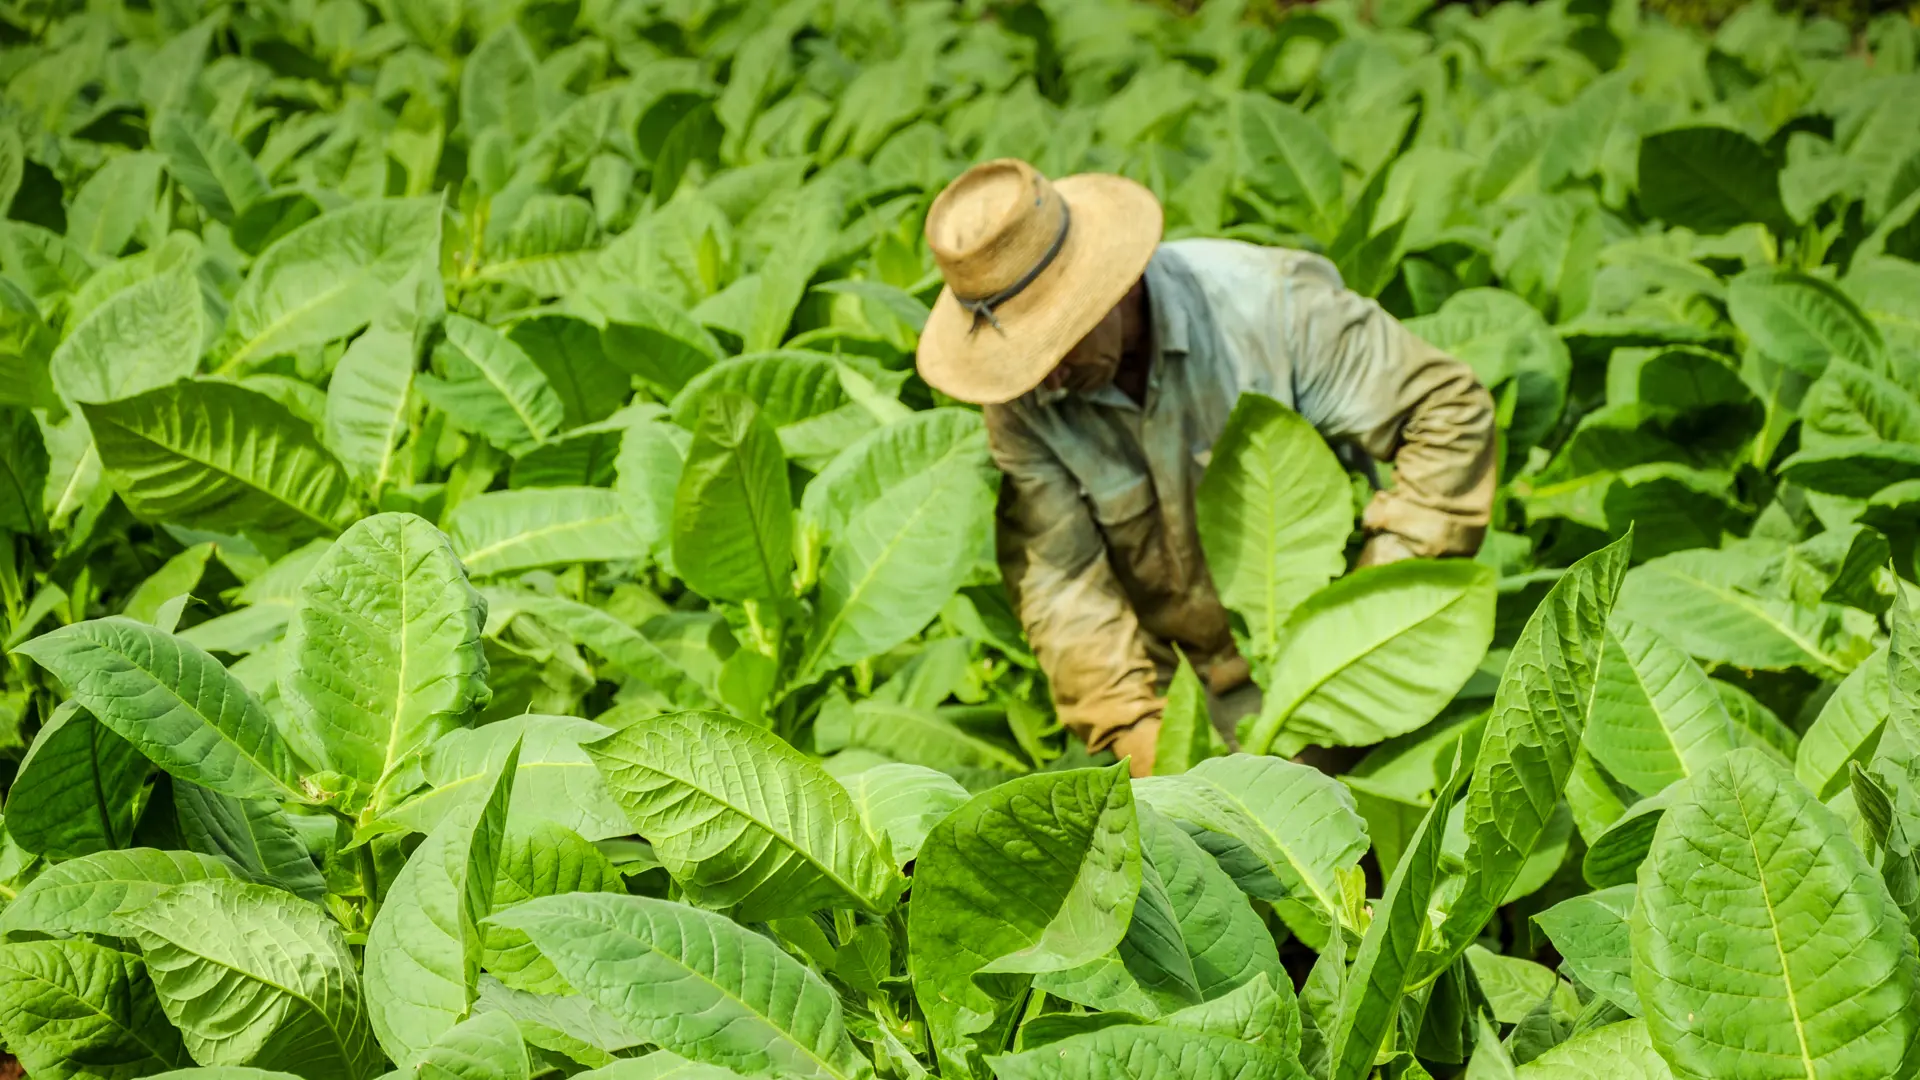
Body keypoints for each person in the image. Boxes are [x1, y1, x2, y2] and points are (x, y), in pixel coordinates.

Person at [913, 159, 1498, 778]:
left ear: (1115, 285)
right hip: (1181, 694)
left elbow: (1447, 412)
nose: (1041, 376)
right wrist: (1156, 752)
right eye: (1019, 359)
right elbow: (1064, 590)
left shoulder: (1269, 309)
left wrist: (1372, 614)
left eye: (1055, 343)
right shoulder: (1023, 404)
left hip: (1336, 665)